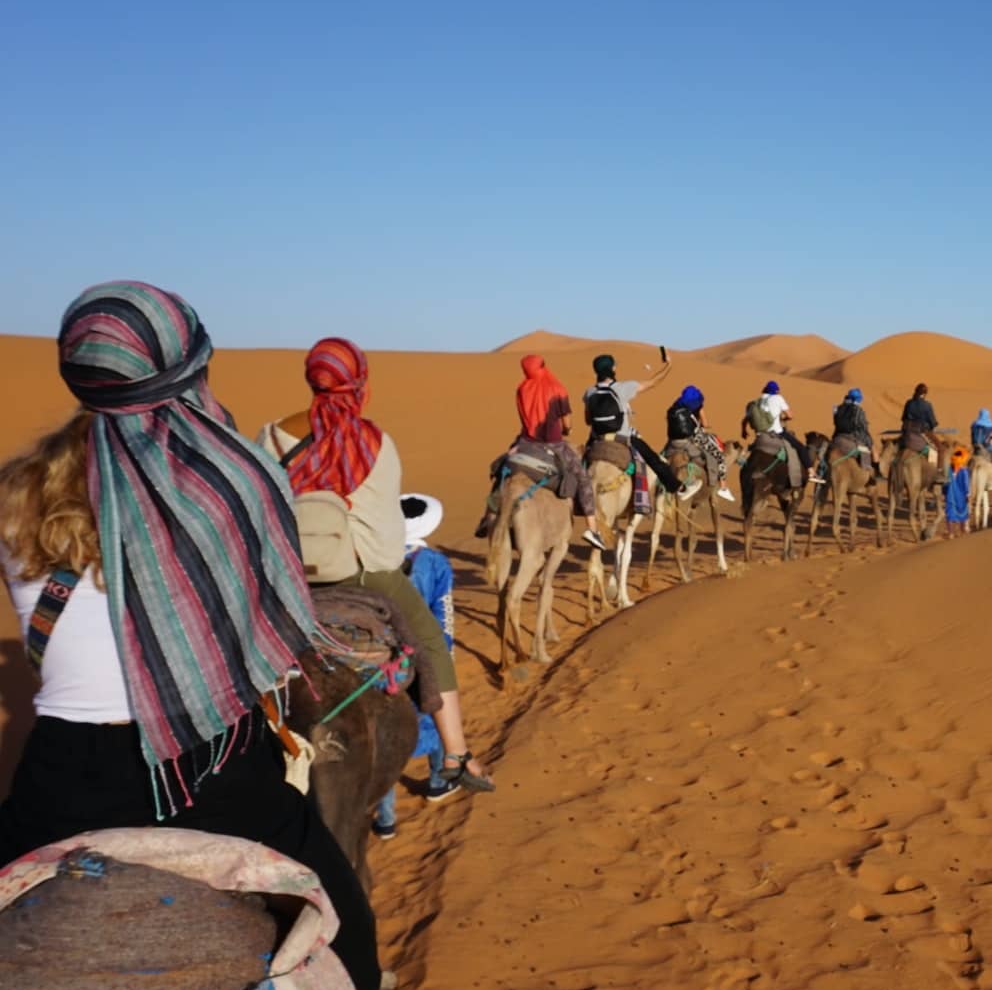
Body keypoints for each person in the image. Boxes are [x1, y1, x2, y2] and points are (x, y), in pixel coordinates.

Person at [0, 281, 380, 990]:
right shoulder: (234, 481)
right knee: (351, 938)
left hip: (58, 779)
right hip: (205, 769)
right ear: (191, 368)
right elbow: (258, 631)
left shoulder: (16, 497)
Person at [260, 338, 495, 799]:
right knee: (430, 642)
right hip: (364, 573)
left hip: (284, 577)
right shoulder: (374, 442)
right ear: (359, 382)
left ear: (313, 379)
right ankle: (455, 754)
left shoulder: (269, 437)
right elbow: (387, 530)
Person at [373, 494, 451, 838]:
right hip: (421, 653)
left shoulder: (372, 560)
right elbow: (444, 615)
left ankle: (386, 818)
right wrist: (443, 655)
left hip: (379, 658)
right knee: (434, 711)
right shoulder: (435, 563)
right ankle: (437, 781)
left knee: (383, 734)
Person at [475, 354, 607, 547]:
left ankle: (488, 516)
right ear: (543, 367)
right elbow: (567, 423)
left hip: (525, 442)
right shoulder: (557, 388)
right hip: (553, 444)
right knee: (582, 477)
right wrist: (567, 429)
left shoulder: (522, 389)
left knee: (501, 469)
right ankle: (592, 529)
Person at [581, 351, 682, 515]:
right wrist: (668, 366)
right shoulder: (622, 388)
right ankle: (677, 487)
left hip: (596, 441)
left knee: (580, 465)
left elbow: (587, 421)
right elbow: (652, 383)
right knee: (653, 459)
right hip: (623, 439)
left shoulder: (589, 392)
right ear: (612, 369)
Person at [664, 385, 735, 502]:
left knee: (661, 459)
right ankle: (722, 486)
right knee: (718, 456)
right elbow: (705, 423)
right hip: (693, 438)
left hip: (673, 442)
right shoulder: (698, 406)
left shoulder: (675, 407)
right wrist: (704, 426)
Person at [820, 388, 875, 482]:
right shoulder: (858, 410)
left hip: (837, 437)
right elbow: (862, 428)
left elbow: (836, 422)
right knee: (868, 450)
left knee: (825, 457)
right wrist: (870, 441)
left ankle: (820, 475)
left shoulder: (837, 408)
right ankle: (869, 476)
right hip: (853, 438)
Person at [942, 445, 972, 539]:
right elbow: (966, 483)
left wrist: (944, 492)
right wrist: (968, 494)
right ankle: (962, 530)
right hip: (961, 496)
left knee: (950, 513)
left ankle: (951, 533)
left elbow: (944, 483)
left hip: (950, 495)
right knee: (963, 513)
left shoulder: (949, 470)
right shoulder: (964, 471)